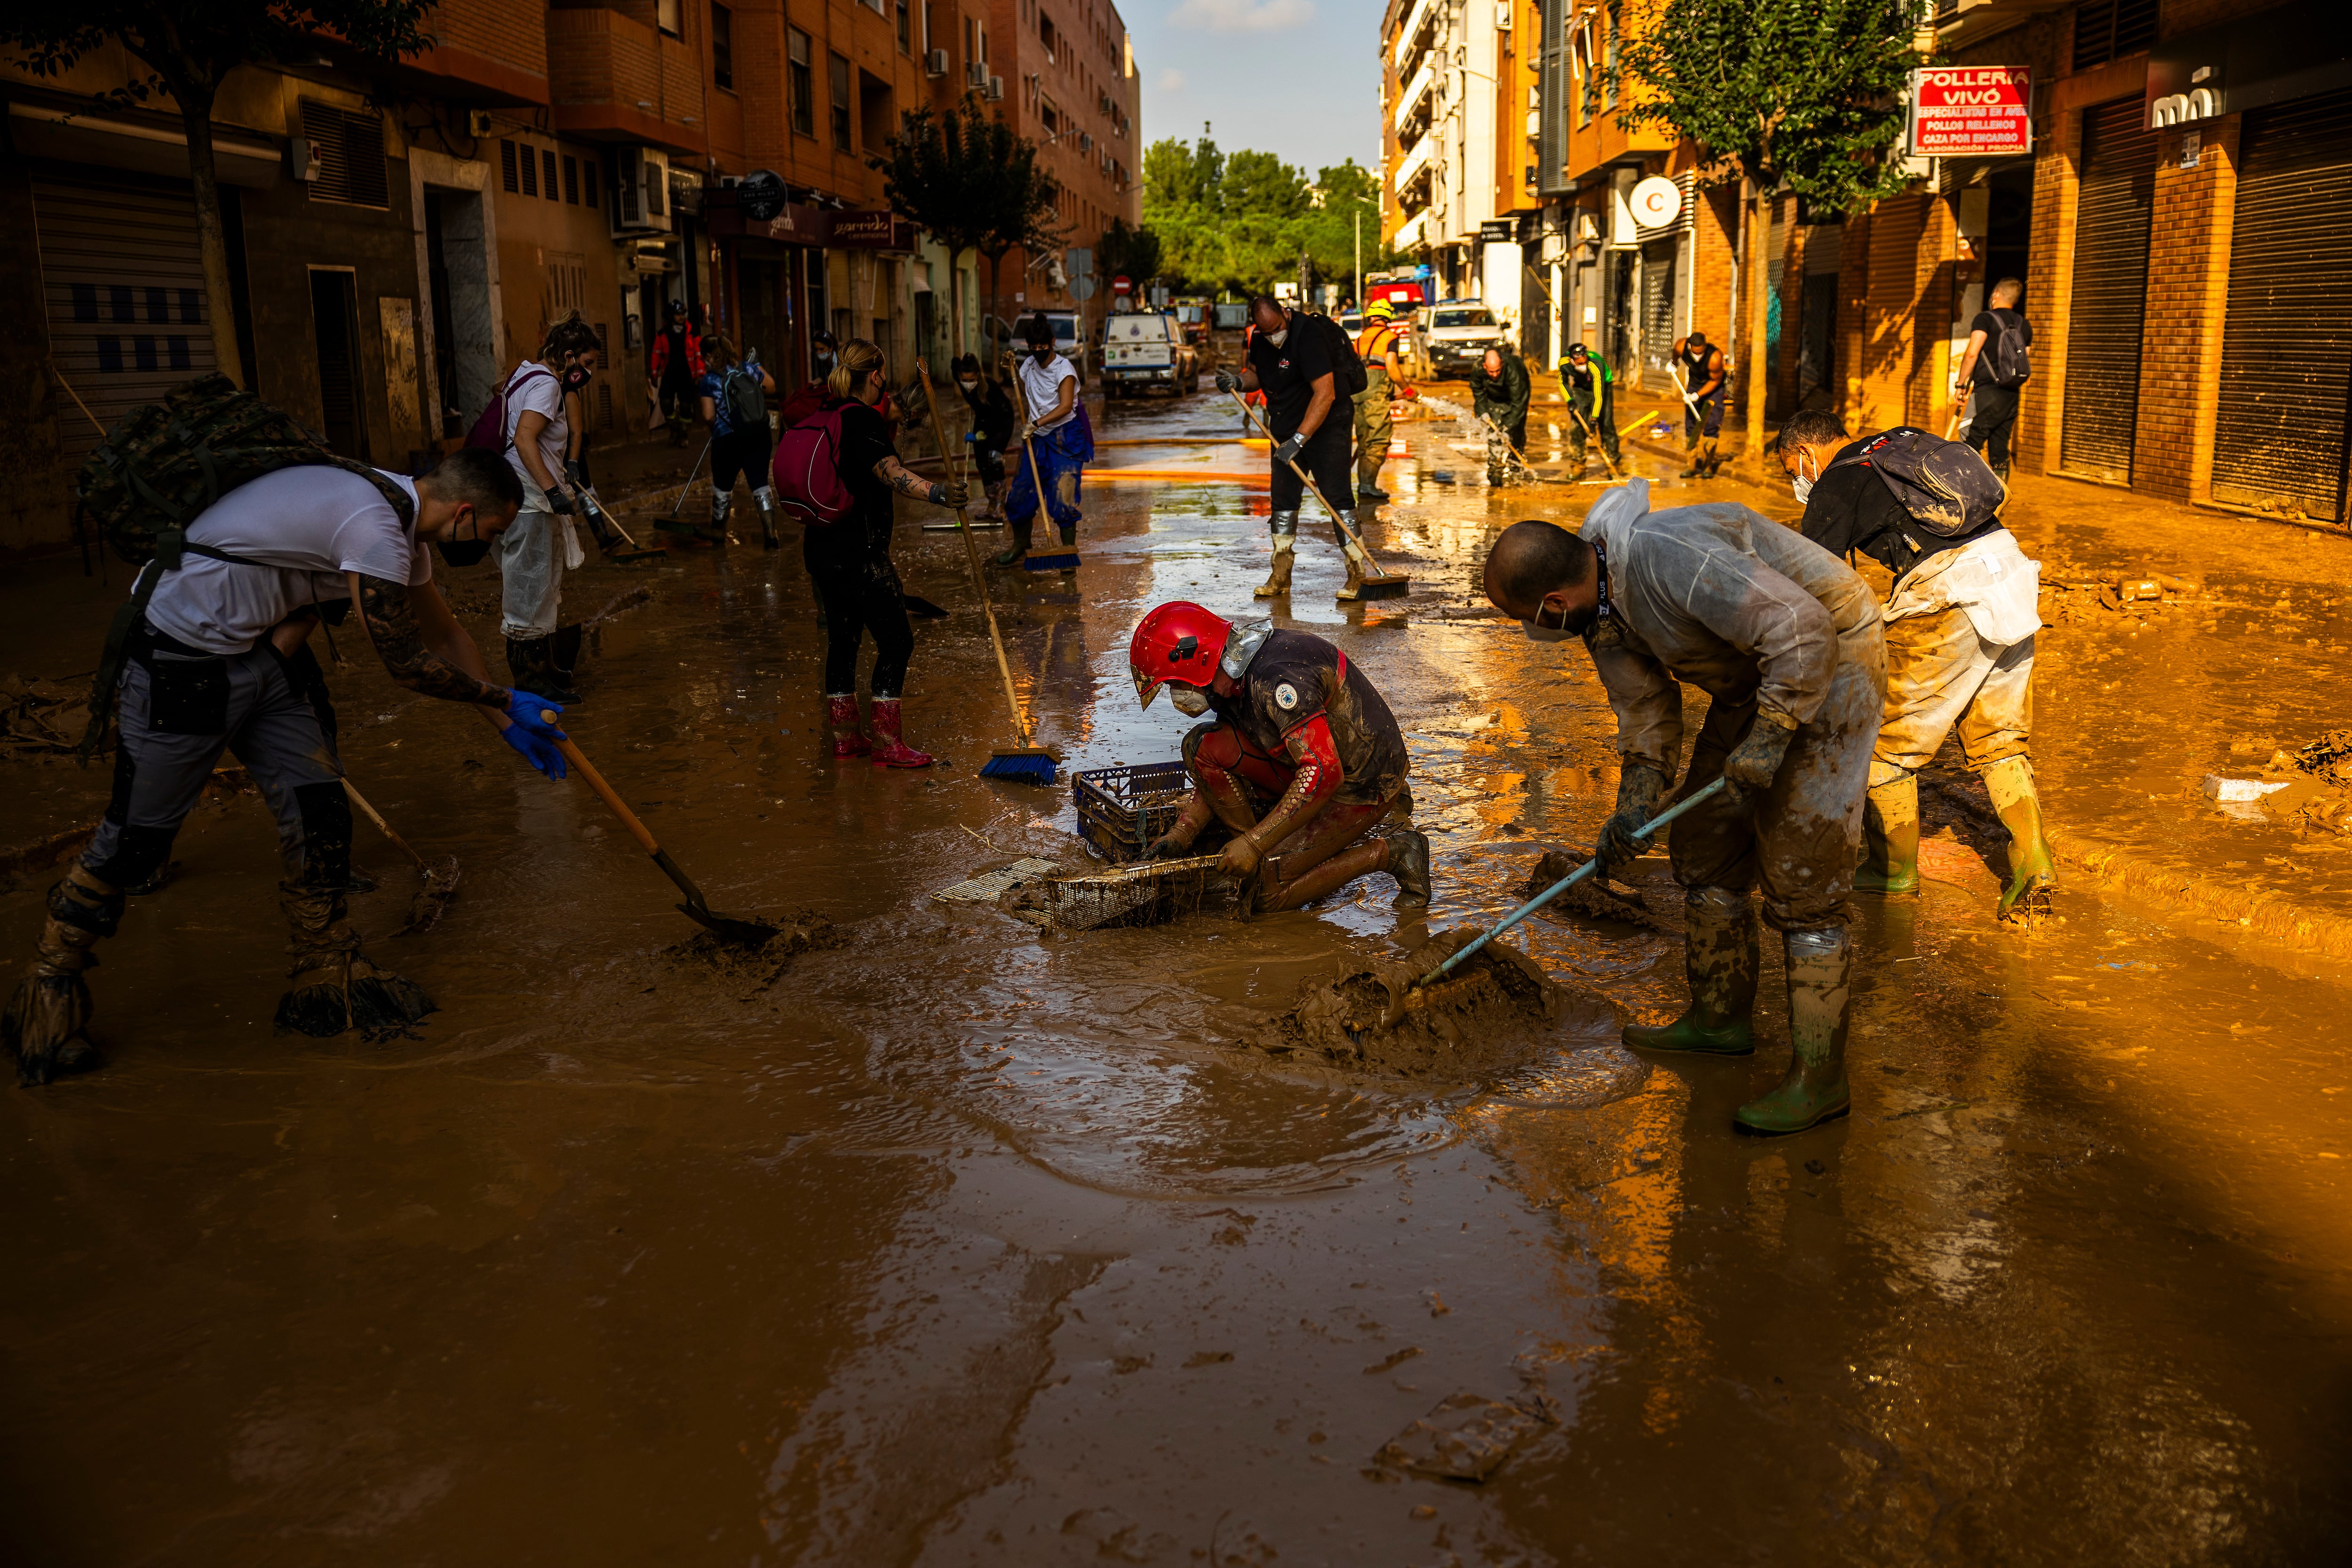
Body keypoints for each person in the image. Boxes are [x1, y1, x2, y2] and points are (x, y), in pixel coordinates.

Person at [2, 447, 569, 1086]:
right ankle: (50, 981)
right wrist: (504, 698)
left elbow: (447, 637)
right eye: (491, 533)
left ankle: (325, 970)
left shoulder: (402, 521)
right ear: (465, 511)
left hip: (263, 656)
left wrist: (506, 726)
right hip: (179, 657)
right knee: (138, 838)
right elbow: (407, 661)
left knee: (320, 807)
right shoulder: (374, 525)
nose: (486, 544)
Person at [1481, 482, 1886, 1134]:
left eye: (1526, 617)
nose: (1534, 629)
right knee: (1702, 842)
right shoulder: (1600, 608)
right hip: (1751, 681)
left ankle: (1820, 1079)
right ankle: (1720, 1020)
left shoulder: (1666, 556)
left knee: (1803, 870)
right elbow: (1644, 708)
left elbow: (1801, 628)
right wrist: (1634, 805)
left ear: (1553, 603)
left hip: (1829, 663)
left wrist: (1774, 733)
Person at [1777, 408, 2053, 919]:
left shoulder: (1832, 484)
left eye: (1790, 470)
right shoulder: (1894, 445)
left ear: (1805, 454)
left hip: (1947, 591)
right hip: (2010, 574)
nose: (1795, 480)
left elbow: (1812, 588)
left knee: (1883, 742)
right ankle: (2033, 862)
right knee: (1998, 739)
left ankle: (1891, 871)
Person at [1127, 601, 1430, 912]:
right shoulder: (1227, 680)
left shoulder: (1277, 680)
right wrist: (1183, 832)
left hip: (1363, 782)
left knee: (1264, 896)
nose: (1176, 693)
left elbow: (1323, 771)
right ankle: (1268, 859)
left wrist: (1255, 843)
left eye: (1173, 683)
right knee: (1200, 747)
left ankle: (1395, 852)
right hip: (1313, 763)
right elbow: (1221, 755)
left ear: (1197, 660)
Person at [795, 337, 968, 766]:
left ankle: (845, 736)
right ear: (876, 375)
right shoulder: (862, 420)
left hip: (819, 549)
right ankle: (888, 743)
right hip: (860, 552)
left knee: (843, 639)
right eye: (883, 374)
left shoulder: (826, 413)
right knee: (897, 640)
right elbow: (891, 474)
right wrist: (941, 493)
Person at [1216, 294, 1368, 600]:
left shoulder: (1308, 335)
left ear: (1285, 314)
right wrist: (1237, 381)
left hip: (1326, 426)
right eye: (1266, 332)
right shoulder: (1260, 338)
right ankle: (1280, 573)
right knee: (1283, 502)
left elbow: (1324, 394)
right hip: (1285, 428)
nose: (1273, 338)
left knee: (1337, 498)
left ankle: (1357, 572)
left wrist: (1299, 441)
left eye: (1277, 330)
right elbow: (1258, 375)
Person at [493, 314, 601, 706]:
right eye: (587, 364)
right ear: (569, 356)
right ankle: (530, 682)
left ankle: (544, 671)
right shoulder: (547, 384)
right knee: (528, 591)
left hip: (524, 497)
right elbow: (524, 439)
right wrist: (553, 490)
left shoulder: (527, 374)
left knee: (540, 588)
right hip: (529, 501)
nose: (589, 373)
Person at [995, 314, 1087, 568]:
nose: (1038, 352)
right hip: (1035, 439)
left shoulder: (1064, 369)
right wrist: (1011, 363)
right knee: (1020, 495)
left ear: (1053, 342)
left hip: (1064, 437)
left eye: (1042, 347)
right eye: (1033, 348)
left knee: (1063, 496)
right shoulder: (1029, 367)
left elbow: (1067, 406)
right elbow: (1020, 376)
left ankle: (1067, 554)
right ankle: (1021, 544)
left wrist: (1036, 423)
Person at [697, 333, 780, 542]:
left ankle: (718, 530)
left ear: (708, 356)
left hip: (728, 439)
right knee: (760, 483)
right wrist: (755, 368)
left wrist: (716, 428)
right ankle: (770, 532)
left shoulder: (709, 380)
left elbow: (708, 416)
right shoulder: (748, 368)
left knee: (723, 487)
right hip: (759, 434)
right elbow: (771, 386)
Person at [1949, 277, 2031, 482]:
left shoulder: (1985, 319)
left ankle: (1963, 494)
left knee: (1969, 442)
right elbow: (2025, 358)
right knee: (2000, 449)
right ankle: (1998, 501)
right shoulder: (2025, 325)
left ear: (1996, 295)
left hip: (1987, 392)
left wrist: (1961, 385)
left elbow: (1972, 353)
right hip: (2011, 395)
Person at [1352, 301, 1410, 502]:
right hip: (1376, 397)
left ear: (1370, 318)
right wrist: (1407, 389)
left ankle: (1364, 485)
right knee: (1378, 441)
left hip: (1357, 396)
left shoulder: (1359, 340)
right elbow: (1392, 367)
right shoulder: (1390, 337)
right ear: (1388, 318)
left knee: (1364, 442)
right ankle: (1367, 486)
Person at [954, 352, 1017, 520]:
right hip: (982, 419)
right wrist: (966, 358)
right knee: (982, 463)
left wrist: (980, 436)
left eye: (971, 380)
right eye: (964, 380)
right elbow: (954, 364)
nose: (968, 384)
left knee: (994, 458)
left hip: (1001, 421)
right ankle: (991, 503)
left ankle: (1001, 506)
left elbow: (997, 416)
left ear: (978, 376)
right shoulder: (961, 381)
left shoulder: (990, 387)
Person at [1468, 344, 1532, 484]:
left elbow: (1519, 404)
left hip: (1515, 399)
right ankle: (1495, 471)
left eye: (1498, 371)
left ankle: (1516, 471)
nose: (1495, 375)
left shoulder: (1515, 370)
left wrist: (1509, 428)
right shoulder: (1478, 369)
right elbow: (1478, 393)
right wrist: (1482, 411)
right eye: (1491, 372)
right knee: (1494, 435)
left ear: (1502, 363)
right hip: (1493, 400)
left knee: (1515, 436)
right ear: (1485, 366)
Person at [1558, 342, 1621, 478]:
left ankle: (1613, 463)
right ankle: (1578, 464)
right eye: (1579, 363)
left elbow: (1598, 396)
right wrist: (1570, 400)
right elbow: (1562, 383)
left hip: (1603, 385)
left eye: (1584, 362)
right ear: (1572, 360)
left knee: (1606, 423)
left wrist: (1594, 420)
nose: (1582, 365)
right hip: (1581, 386)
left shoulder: (1595, 365)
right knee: (1576, 425)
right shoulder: (1564, 363)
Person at [1673, 330, 1729, 479]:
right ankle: (1690, 467)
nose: (1698, 356)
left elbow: (1716, 381)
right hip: (1694, 384)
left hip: (1714, 389)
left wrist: (1698, 395)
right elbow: (1676, 354)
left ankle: (1708, 467)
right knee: (1691, 425)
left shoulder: (1715, 357)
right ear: (1690, 346)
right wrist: (1673, 364)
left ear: (1705, 346)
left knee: (1711, 426)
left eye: (1701, 352)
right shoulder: (1681, 346)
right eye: (1695, 352)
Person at [647, 300, 703, 447]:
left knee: (686, 406)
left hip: (687, 374)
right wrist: (654, 374)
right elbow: (656, 354)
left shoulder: (692, 333)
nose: (681, 317)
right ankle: (674, 428)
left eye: (683, 314)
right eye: (678, 314)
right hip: (669, 374)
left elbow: (699, 355)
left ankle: (684, 434)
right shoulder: (662, 334)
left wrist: (700, 374)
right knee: (665, 403)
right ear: (672, 316)